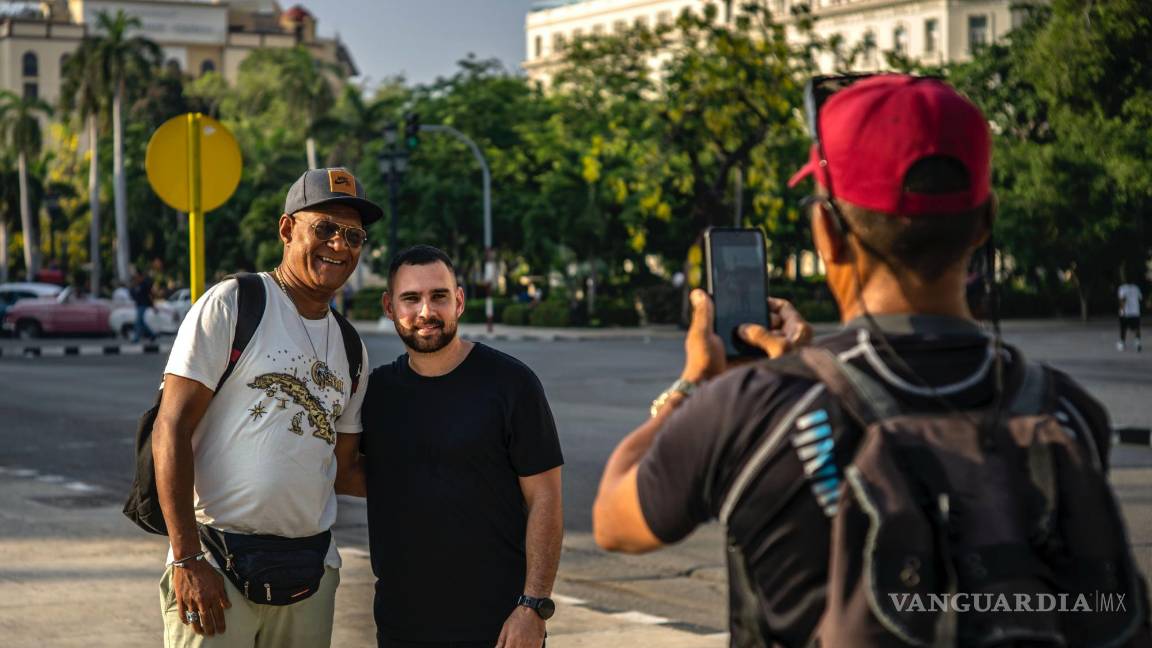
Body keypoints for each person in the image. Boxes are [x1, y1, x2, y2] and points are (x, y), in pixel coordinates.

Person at [593, 75, 1150, 647]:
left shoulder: (754, 407)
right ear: (985, 223)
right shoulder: (1070, 412)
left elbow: (614, 522)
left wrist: (695, 384)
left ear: (826, 232)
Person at [152, 167, 381, 647]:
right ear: (286, 229)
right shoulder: (235, 304)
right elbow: (170, 427)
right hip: (215, 564)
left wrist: (446, 479)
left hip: (308, 575)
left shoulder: (351, 347)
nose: (339, 246)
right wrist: (187, 559)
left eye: (353, 235)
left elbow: (342, 471)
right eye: (324, 229)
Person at [360, 245, 564, 648]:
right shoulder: (376, 393)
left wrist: (532, 607)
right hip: (402, 625)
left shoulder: (511, 384)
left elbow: (546, 499)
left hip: (499, 625)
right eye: (410, 299)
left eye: (438, 296)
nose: (426, 312)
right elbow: (346, 472)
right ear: (389, 306)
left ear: (459, 301)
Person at [131, 268, 158, 343]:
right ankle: (152, 334)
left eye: (137, 277)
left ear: (141, 276)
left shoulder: (145, 284)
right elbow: (133, 294)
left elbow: (150, 295)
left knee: (138, 322)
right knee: (142, 322)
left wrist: (153, 306)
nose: (136, 278)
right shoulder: (137, 285)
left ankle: (136, 338)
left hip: (144, 305)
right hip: (139, 305)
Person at [1118, 279, 1143, 352]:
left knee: (1123, 328)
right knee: (1136, 328)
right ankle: (1138, 342)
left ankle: (1122, 343)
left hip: (1126, 312)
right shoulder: (1136, 288)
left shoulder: (1122, 288)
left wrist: (1122, 311)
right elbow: (1140, 298)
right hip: (1135, 312)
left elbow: (1122, 299)